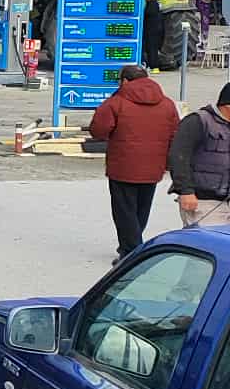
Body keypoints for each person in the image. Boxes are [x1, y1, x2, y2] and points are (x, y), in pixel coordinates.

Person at [87, 63, 180, 260]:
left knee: (124, 212)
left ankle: (133, 253)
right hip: (154, 167)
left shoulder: (116, 103)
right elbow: (175, 135)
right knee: (141, 210)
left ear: (125, 81)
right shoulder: (168, 104)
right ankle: (130, 247)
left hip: (123, 167)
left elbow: (98, 130)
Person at [168, 82, 230, 229]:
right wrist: (186, 191)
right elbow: (179, 157)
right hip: (203, 201)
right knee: (208, 244)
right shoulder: (198, 121)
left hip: (226, 198)